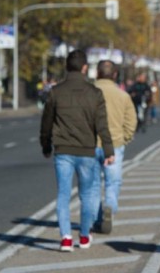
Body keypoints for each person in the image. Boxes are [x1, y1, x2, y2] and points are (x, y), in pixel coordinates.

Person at [40, 49, 115, 252]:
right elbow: (102, 125)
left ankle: (65, 238)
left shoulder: (56, 92)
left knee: (63, 194)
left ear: (67, 67)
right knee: (87, 195)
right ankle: (83, 235)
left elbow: (46, 122)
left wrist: (45, 145)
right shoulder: (95, 93)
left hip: (63, 151)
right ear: (84, 68)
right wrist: (108, 150)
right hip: (86, 151)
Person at [92, 60, 137, 234]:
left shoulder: (88, 93)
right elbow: (131, 121)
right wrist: (125, 138)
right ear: (115, 75)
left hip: (91, 144)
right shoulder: (122, 95)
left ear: (97, 73)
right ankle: (110, 206)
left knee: (93, 184)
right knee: (113, 181)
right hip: (115, 144)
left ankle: (97, 219)